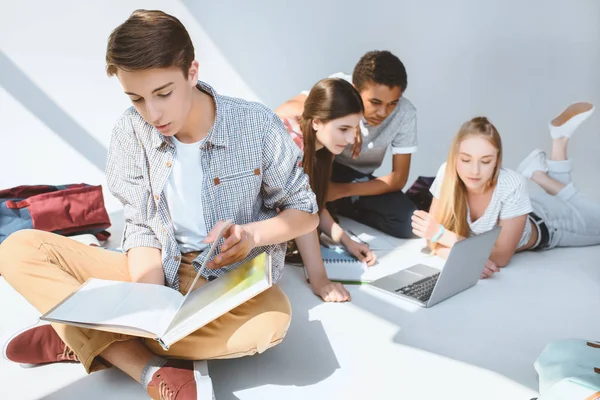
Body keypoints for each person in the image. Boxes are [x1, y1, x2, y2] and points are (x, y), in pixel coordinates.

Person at [0, 9, 319, 400]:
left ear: (192, 72)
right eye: (136, 98)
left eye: (163, 93)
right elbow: (140, 224)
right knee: (16, 250)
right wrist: (150, 304)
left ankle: (85, 335)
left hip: (223, 280)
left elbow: (305, 211)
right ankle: (142, 364)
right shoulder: (130, 131)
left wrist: (252, 235)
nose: (152, 113)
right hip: (152, 268)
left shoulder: (256, 125)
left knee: (270, 325)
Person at [411, 102, 597, 279]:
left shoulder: (512, 183)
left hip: (552, 223)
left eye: (485, 161)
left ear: (496, 162)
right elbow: (432, 240)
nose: (474, 171)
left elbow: (501, 257)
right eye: (466, 160)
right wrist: (464, 258)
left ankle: (545, 171)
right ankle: (547, 162)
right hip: (519, 211)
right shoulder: (447, 173)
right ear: (455, 156)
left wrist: (443, 235)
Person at [276, 50, 418, 238]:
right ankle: (325, 206)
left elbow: (398, 178)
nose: (383, 112)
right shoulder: (340, 86)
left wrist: (338, 191)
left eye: (392, 103)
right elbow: (284, 110)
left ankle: (334, 203)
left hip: (356, 179)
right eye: (375, 102)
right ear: (354, 89)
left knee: (408, 222)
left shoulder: (406, 113)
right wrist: (348, 117)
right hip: (324, 167)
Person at [281, 78, 377, 303]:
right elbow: (301, 211)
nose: (351, 138)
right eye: (344, 129)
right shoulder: (290, 142)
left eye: (354, 129)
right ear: (316, 121)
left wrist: (346, 241)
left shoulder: (323, 145)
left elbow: (312, 204)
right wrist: (321, 281)